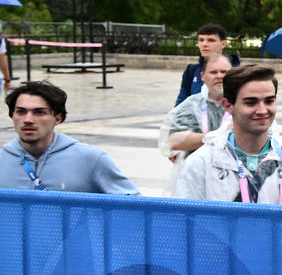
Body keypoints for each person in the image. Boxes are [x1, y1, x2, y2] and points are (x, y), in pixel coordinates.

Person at [173, 65, 282, 204]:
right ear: (228, 106)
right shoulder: (200, 164)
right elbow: (183, 223)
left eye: (269, 101)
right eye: (251, 102)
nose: (262, 110)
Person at [8, 79, 139, 194]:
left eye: (39, 112)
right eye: (21, 112)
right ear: (12, 115)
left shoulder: (91, 159)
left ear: (58, 118)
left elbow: (135, 208)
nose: (28, 119)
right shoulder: (3, 159)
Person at [165, 52, 234, 160]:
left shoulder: (244, 104)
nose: (219, 76)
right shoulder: (191, 105)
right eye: (213, 72)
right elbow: (171, 142)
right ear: (203, 76)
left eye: (224, 72)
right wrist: (214, 136)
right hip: (198, 172)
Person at [175, 25, 230, 104]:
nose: (204, 44)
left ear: (223, 44)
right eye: (201, 40)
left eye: (211, 40)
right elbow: (180, 104)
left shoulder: (235, 71)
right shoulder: (191, 71)